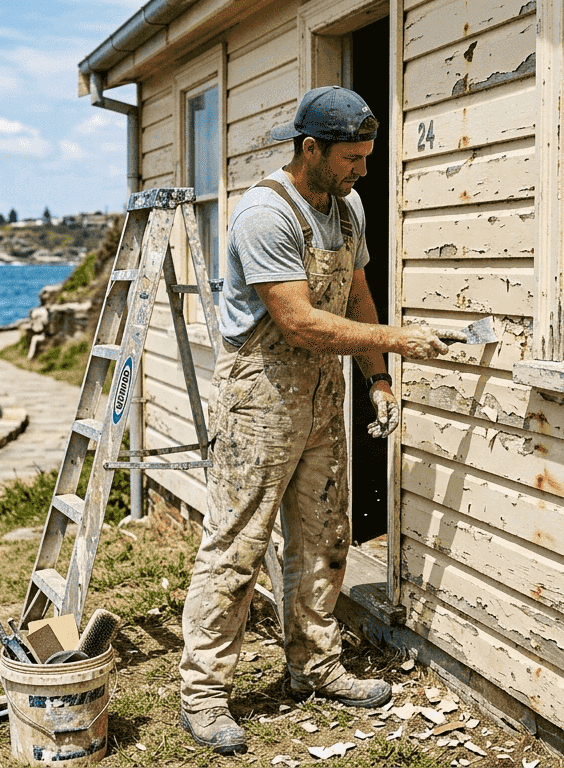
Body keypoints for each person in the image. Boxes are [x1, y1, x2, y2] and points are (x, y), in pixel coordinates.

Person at [178, 86, 452, 755]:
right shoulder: (265, 215)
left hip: (324, 388)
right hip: (262, 393)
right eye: (352, 158)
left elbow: (355, 296)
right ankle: (205, 693)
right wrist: (400, 339)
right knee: (238, 543)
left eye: (367, 156)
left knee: (325, 535)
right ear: (310, 149)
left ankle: (314, 666)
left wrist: (380, 380)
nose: (362, 170)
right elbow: (298, 322)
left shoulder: (349, 206)